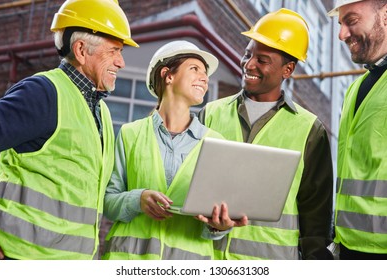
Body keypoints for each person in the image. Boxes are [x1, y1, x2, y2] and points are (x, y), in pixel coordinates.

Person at [0, 0, 138, 260]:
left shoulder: (101, 111)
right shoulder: (43, 94)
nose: (121, 62)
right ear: (82, 50)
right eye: (114, 50)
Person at [199, 8, 334, 260]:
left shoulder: (309, 129)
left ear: (288, 70)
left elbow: (316, 219)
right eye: (248, 54)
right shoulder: (210, 113)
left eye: (262, 60)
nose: (249, 64)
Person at [102, 40, 248, 260]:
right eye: (195, 69)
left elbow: (214, 220)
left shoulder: (215, 143)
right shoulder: (130, 134)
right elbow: (108, 203)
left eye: (205, 73)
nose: (204, 78)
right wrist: (138, 199)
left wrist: (219, 226)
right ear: (168, 75)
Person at [328, 0, 387, 259]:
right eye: (340, 24)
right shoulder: (355, 88)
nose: (341, 34)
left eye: (351, 21)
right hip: (349, 246)